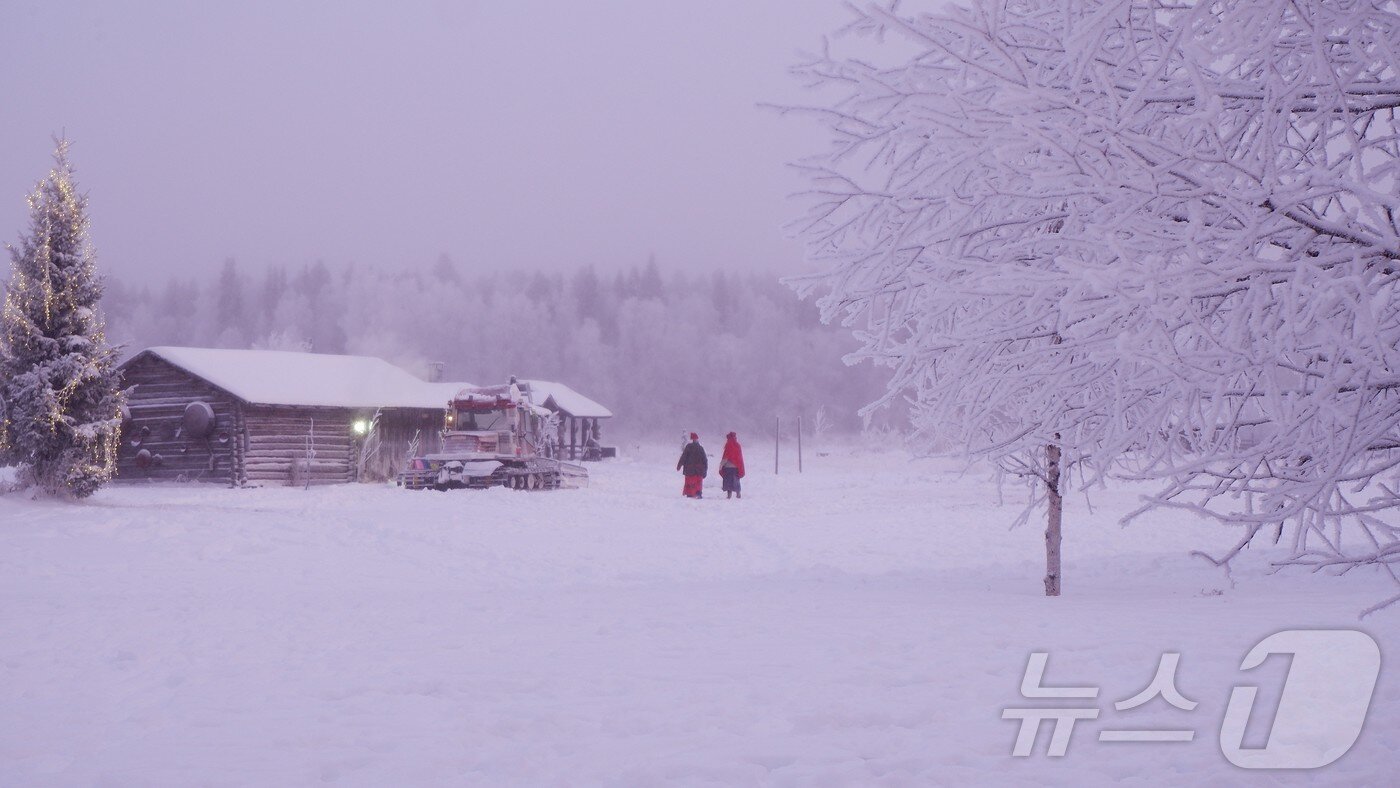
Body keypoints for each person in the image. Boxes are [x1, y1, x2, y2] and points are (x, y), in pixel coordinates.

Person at [677, 432, 707, 498]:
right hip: (699, 470)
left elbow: (683, 457)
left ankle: (690, 493)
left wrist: (679, 465)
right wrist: (705, 470)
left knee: (690, 482)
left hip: (689, 469)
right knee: (698, 483)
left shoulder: (688, 447)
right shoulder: (700, 448)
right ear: (697, 439)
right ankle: (698, 493)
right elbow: (705, 460)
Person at [719, 431, 745, 499]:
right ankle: (738, 493)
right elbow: (739, 458)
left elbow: (725, 457)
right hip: (736, 467)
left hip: (728, 467)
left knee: (728, 482)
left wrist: (721, 466)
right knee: (736, 481)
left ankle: (729, 495)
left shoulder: (728, 445)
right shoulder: (737, 445)